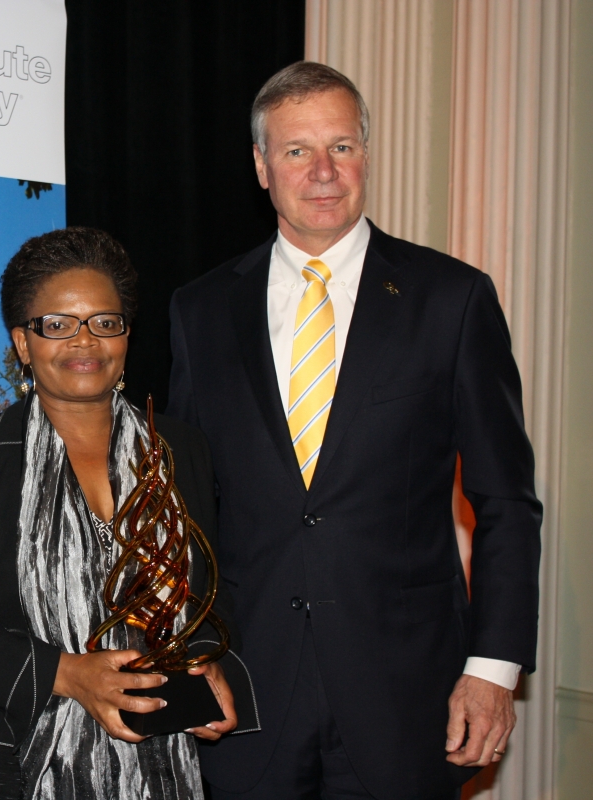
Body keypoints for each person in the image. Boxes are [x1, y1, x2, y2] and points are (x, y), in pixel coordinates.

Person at [167, 62, 542, 800]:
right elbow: (187, 506)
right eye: (298, 150)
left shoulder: (452, 299)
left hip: (410, 698)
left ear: (366, 154)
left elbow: (507, 502)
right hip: (245, 696)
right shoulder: (201, 309)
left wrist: (493, 670)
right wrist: (191, 653)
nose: (324, 172)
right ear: (261, 166)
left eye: (342, 146)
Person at [0, 227, 257, 800]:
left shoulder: (179, 449)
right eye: (57, 325)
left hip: (165, 765)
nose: (86, 342)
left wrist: (206, 664)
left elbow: (208, 596)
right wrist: (69, 674)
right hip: (21, 768)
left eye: (105, 322)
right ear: (23, 344)